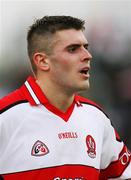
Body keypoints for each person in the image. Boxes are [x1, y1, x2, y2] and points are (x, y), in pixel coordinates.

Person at [0, 15, 131, 180]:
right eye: (73, 49)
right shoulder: (5, 116)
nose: (87, 55)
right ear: (42, 61)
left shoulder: (96, 116)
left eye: (86, 47)